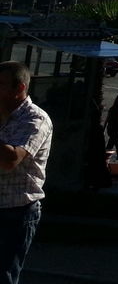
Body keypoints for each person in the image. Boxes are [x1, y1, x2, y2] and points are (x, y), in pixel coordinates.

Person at [0, 61, 53, 284]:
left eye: (0, 84)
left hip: (15, 213)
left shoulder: (35, 119)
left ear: (19, 88)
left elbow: (10, 160)